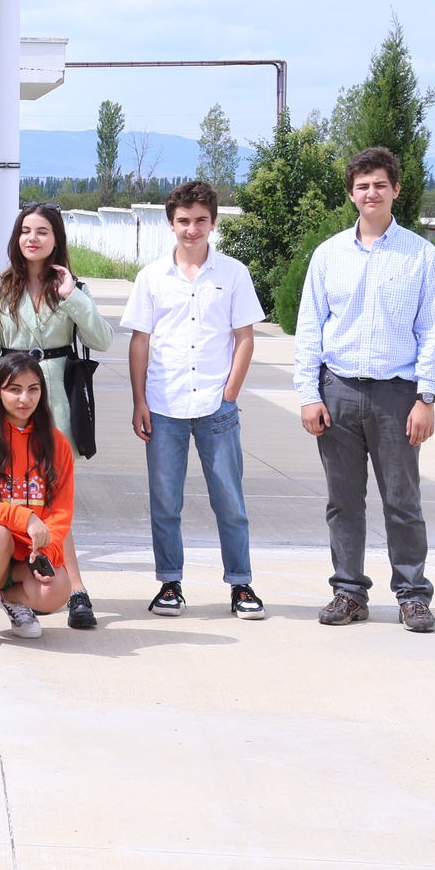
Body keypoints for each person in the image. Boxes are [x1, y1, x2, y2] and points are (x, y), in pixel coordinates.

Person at [294, 146, 435, 635]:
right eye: (362, 186)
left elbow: (432, 330)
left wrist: (426, 397)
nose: (371, 193)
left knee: (402, 501)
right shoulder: (328, 255)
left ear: (395, 189)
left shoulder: (420, 255)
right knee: (343, 501)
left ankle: (412, 596)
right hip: (337, 390)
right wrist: (309, 394)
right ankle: (349, 592)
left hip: (397, 395)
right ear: (351, 194)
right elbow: (309, 327)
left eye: (380, 184)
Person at [121, 180, 267, 619]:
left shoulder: (233, 274)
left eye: (201, 220)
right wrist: (139, 400)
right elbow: (140, 341)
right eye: (183, 220)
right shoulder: (151, 277)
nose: (192, 229)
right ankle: (170, 584)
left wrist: (230, 393)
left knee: (230, 502)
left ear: (214, 222)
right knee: (165, 503)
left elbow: (244, 338)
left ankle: (241, 585)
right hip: (163, 406)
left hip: (215, 407)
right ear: (170, 223)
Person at [0, 201, 113, 630]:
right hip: (11, 401)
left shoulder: (72, 287)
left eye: (42, 232)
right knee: (17, 496)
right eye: (25, 231)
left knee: (55, 498)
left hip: (56, 404)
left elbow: (102, 339)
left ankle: (75, 588)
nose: (32, 238)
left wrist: (72, 297)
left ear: (56, 240)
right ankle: (29, 581)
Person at [0, 352, 78, 649]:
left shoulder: (56, 443)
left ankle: (13, 599)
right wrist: (25, 517)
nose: (24, 399)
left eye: (33, 389)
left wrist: (46, 551)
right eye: (14, 389)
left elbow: (61, 511)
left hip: (27, 555)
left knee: (58, 589)